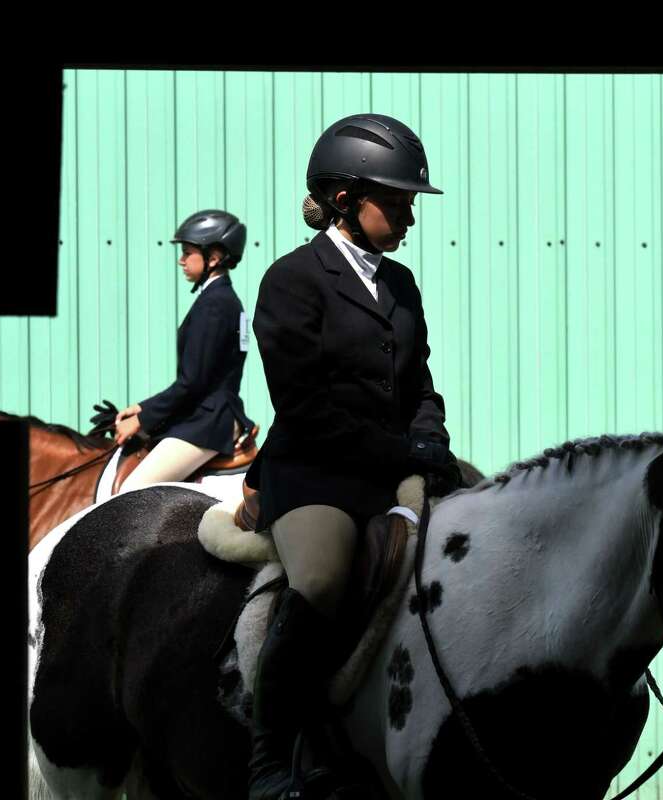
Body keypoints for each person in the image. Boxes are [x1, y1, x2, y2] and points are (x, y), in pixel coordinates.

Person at [244, 113, 462, 799]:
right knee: (327, 576)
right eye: (397, 203)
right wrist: (404, 450)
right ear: (345, 200)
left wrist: (433, 435)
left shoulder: (399, 284)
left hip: (392, 461)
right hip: (314, 470)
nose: (409, 220)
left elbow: (420, 379)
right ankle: (269, 758)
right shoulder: (291, 280)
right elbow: (305, 405)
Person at [115, 210, 256, 491]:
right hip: (206, 414)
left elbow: (193, 382)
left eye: (188, 252)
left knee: (131, 492)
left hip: (209, 420)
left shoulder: (216, 304)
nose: (181, 259)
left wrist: (142, 419)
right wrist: (142, 407)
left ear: (214, 257)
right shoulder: (219, 299)